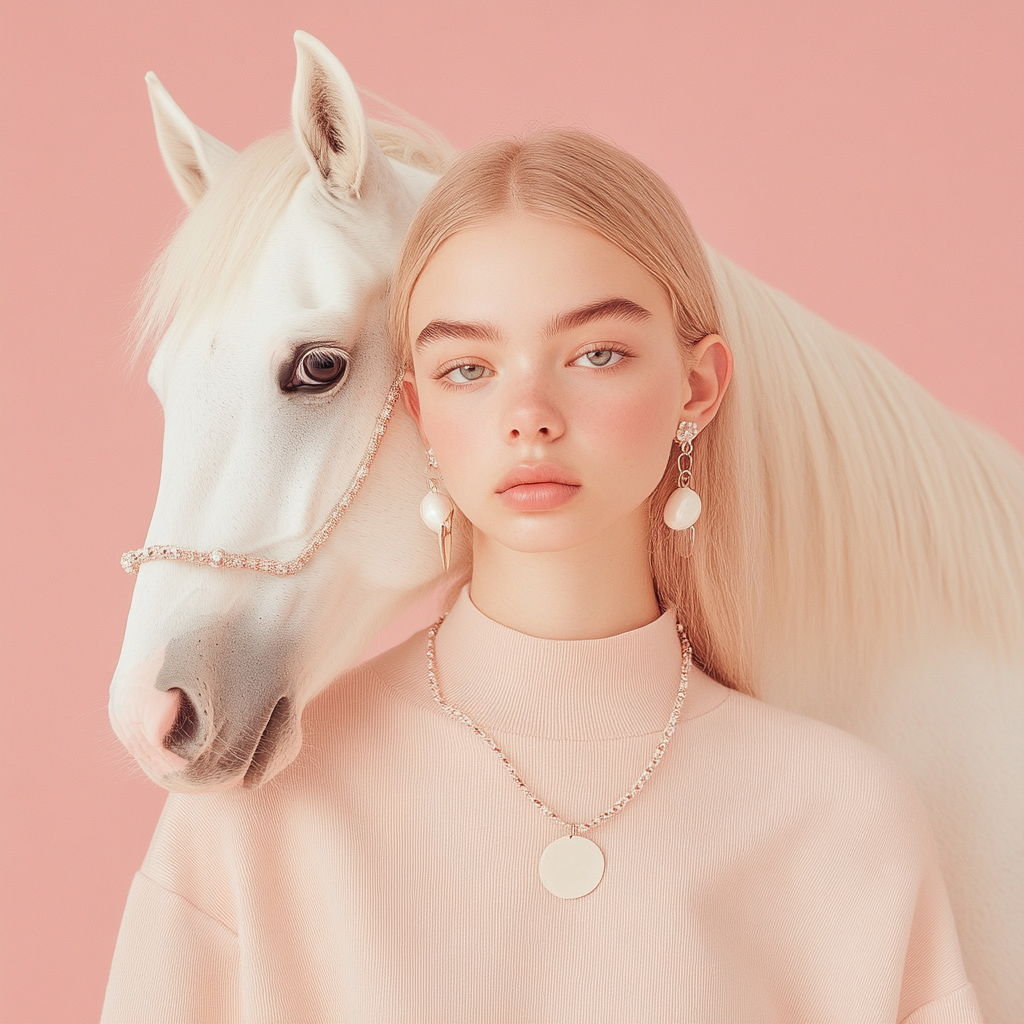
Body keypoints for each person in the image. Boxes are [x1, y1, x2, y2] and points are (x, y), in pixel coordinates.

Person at [102, 128, 985, 1023]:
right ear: (414, 408)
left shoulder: (843, 815)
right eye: (468, 368)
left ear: (698, 386)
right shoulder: (256, 820)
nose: (529, 416)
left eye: (597, 353)